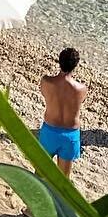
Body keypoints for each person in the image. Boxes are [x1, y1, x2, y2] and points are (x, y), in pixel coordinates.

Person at [38, 47, 87, 177]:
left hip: (50, 131)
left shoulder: (47, 82)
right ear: (75, 66)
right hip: (70, 135)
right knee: (63, 180)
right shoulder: (81, 89)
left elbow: (44, 94)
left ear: (59, 62)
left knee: (39, 174)